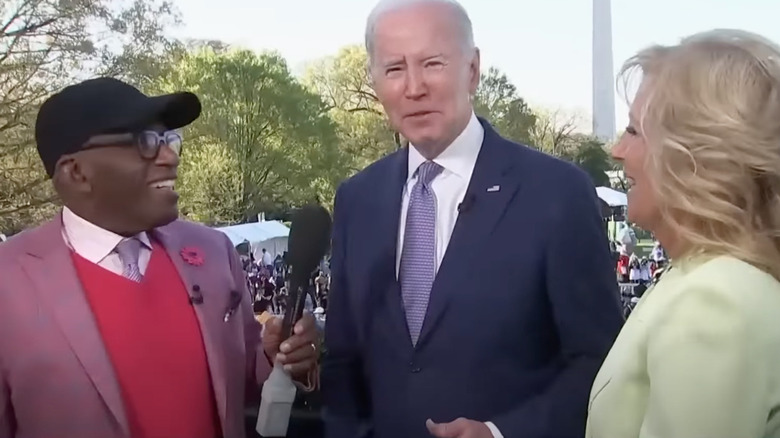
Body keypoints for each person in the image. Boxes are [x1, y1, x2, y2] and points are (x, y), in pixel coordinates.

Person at [322, 1, 624, 437]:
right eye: (394, 69)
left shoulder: (557, 194)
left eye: (432, 63)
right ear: (374, 82)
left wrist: (502, 432)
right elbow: (343, 361)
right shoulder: (357, 199)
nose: (414, 87)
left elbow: (599, 363)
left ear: (473, 69)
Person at [0, 77, 319, 438]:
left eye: (168, 140)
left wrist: (278, 358)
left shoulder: (214, 252)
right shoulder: (8, 282)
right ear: (76, 171)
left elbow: (246, 380)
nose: (170, 157)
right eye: (145, 143)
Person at [586, 29, 780, 438]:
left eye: (635, 132)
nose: (618, 150)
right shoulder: (703, 277)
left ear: (694, 157)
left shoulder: (716, 301)